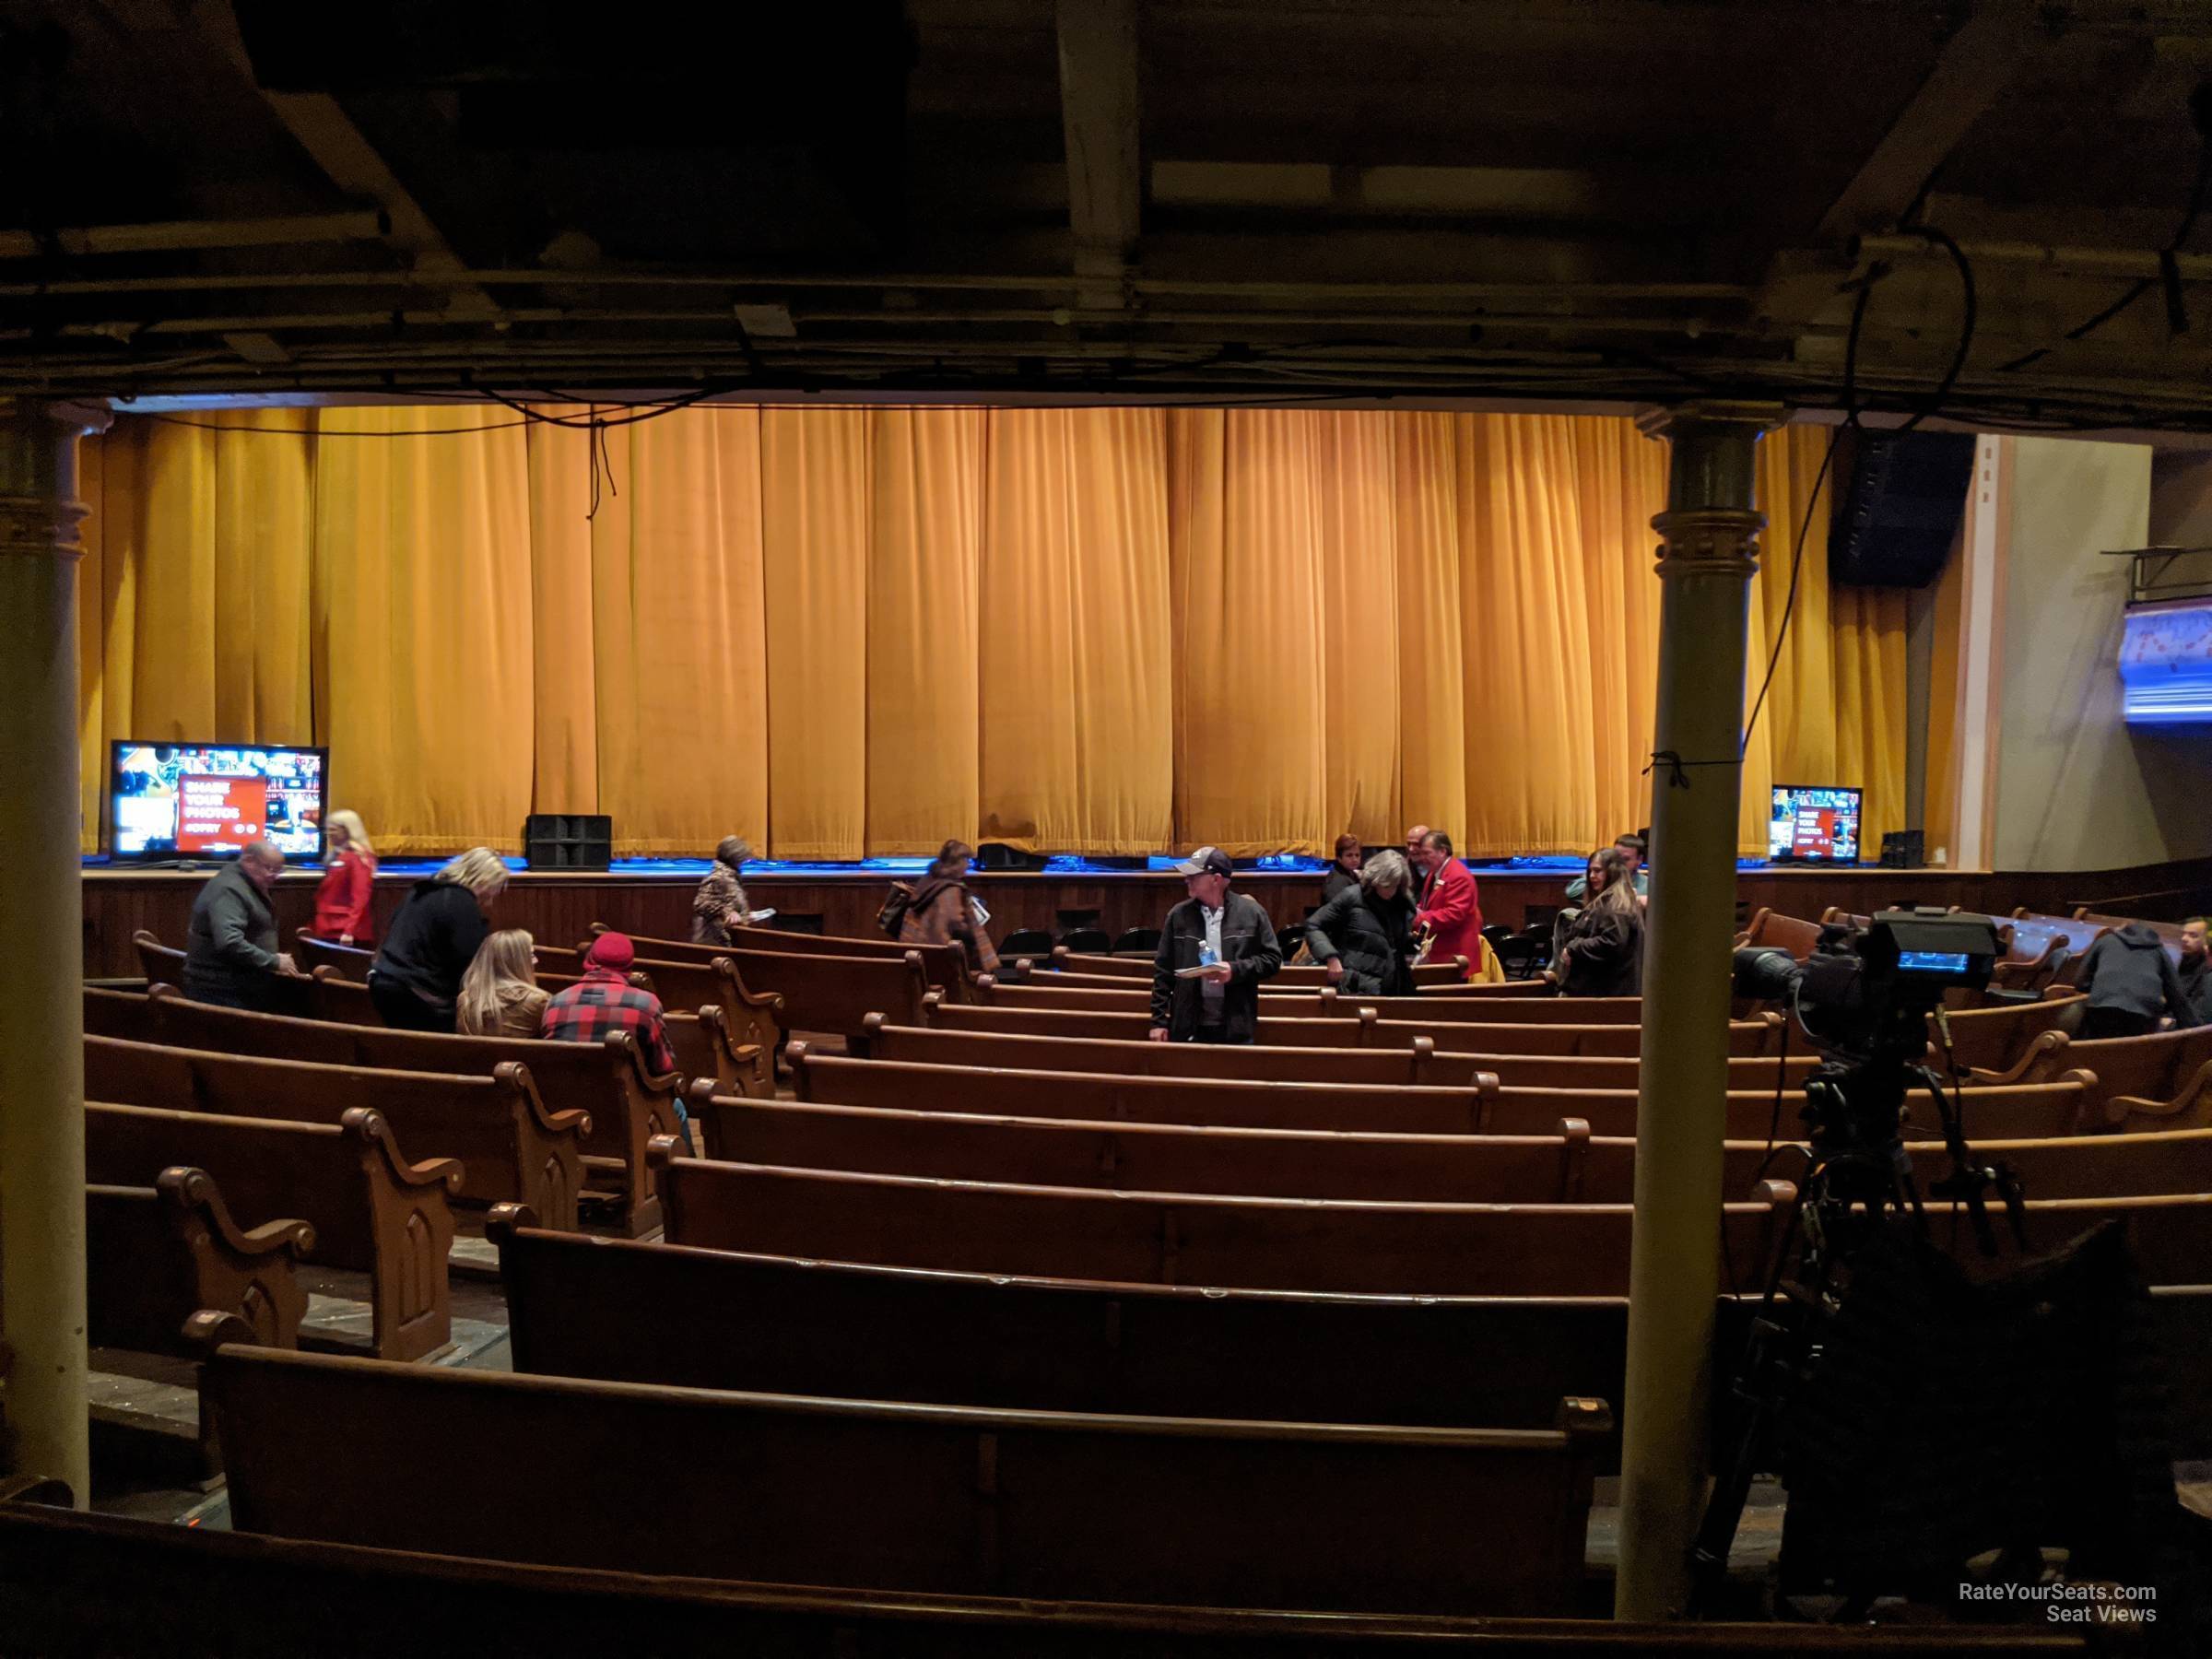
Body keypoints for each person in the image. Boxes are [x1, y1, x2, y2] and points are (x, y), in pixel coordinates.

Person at [368, 847, 508, 1032]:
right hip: (417, 995)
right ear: (483, 881)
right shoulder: (461, 902)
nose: (489, 901)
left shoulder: (422, 891)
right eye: (493, 890)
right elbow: (471, 960)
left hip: (382, 982)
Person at [1148, 847, 1281, 1043]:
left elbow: (1272, 960)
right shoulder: (1178, 915)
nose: (1187, 879)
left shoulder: (1252, 913)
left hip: (1236, 1025)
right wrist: (1158, 1022)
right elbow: (1163, 971)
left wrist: (1234, 970)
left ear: (1216, 879)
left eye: (1194, 875)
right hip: (1187, 1025)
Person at [182, 840, 300, 1010]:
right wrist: (273, 961)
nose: (275, 875)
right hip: (221, 989)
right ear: (249, 861)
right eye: (270, 868)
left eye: (279, 870)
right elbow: (229, 941)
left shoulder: (245, 882)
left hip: (235, 984)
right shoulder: (230, 889)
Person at [541, 932, 679, 1077]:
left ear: (590, 960)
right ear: (629, 966)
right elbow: (663, 1067)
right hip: (630, 1098)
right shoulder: (646, 1005)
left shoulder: (555, 1003)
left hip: (564, 1097)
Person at [1303, 848, 1418, 996]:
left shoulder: (1402, 903)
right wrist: (1330, 956)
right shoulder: (1351, 896)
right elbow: (1314, 925)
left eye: (1395, 886)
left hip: (1393, 985)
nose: (1391, 891)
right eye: (1386, 885)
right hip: (1356, 986)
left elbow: (1392, 942)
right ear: (1374, 880)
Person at [2074, 920, 2202, 1040]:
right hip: (2142, 1017)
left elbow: (2080, 981)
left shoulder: (2105, 941)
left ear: (2121, 930)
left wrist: (2101, 988)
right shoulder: (2158, 951)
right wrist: (2196, 1030)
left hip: (2102, 1010)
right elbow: (2176, 995)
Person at [1549, 847, 1644, 997]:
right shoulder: (1610, 902)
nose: (1592, 876)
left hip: (1607, 995)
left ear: (1612, 872)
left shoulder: (1616, 905)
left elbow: (1612, 942)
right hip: (1602, 992)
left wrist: (1574, 947)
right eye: (1590, 871)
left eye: (1598, 871)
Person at [900, 840, 1000, 973]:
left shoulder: (929, 880)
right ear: (958, 862)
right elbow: (951, 922)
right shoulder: (950, 889)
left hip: (915, 949)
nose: (967, 865)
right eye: (966, 861)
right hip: (937, 958)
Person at [1412, 830, 1484, 982]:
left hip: (1456, 954)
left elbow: (1454, 914)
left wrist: (1418, 917)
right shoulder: (1434, 873)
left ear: (1442, 851)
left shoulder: (1458, 876)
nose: (1423, 859)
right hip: (1439, 951)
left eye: (1427, 853)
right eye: (1421, 853)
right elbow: (1426, 905)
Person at [455, 929, 551, 1039]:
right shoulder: (539, 1001)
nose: (536, 961)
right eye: (531, 955)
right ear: (517, 962)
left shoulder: (465, 1000)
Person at [310, 808, 378, 946]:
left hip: (344, 931)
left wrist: (349, 930)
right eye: (327, 830)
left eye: (333, 830)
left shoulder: (358, 858)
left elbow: (360, 896)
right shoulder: (338, 855)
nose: (329, 834)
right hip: (328, 927)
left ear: (348, 830)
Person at [691, 836, 752, 946]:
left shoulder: (730, 876)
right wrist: (727, 911)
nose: (746, 861)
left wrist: (745, 916)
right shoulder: (718, 877)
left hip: (727, 939)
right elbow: (701, 904)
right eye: (744, 858)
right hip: (714, 942)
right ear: (736, 858)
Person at [1565, 832, 1648, 902]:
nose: (1619, 862)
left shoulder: (1647, 886)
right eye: (1616, 856)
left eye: (1625, 859)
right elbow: (1572, 893)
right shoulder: (1600, 876)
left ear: (1639, 860)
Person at [2180, 917, 2212, 1025]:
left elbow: (2198, 1014)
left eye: (2193, 935)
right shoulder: (2183, 962)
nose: (2184, 938)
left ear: (2206, 942)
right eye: (2183, 934)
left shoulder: (2207, 971)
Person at [1321, 834, 1363, 903]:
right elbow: (1338, 910)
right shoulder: (1337, 880)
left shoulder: (1351, 873)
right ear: (1339, 858)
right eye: (1349, 855)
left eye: (1357, 855)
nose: (1355, 859)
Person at [1403, 822, 1434, 905]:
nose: (1411, 849)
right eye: (1408, 844)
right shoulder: (1401, 869)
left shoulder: (1441, 870)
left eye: (1416, 844)